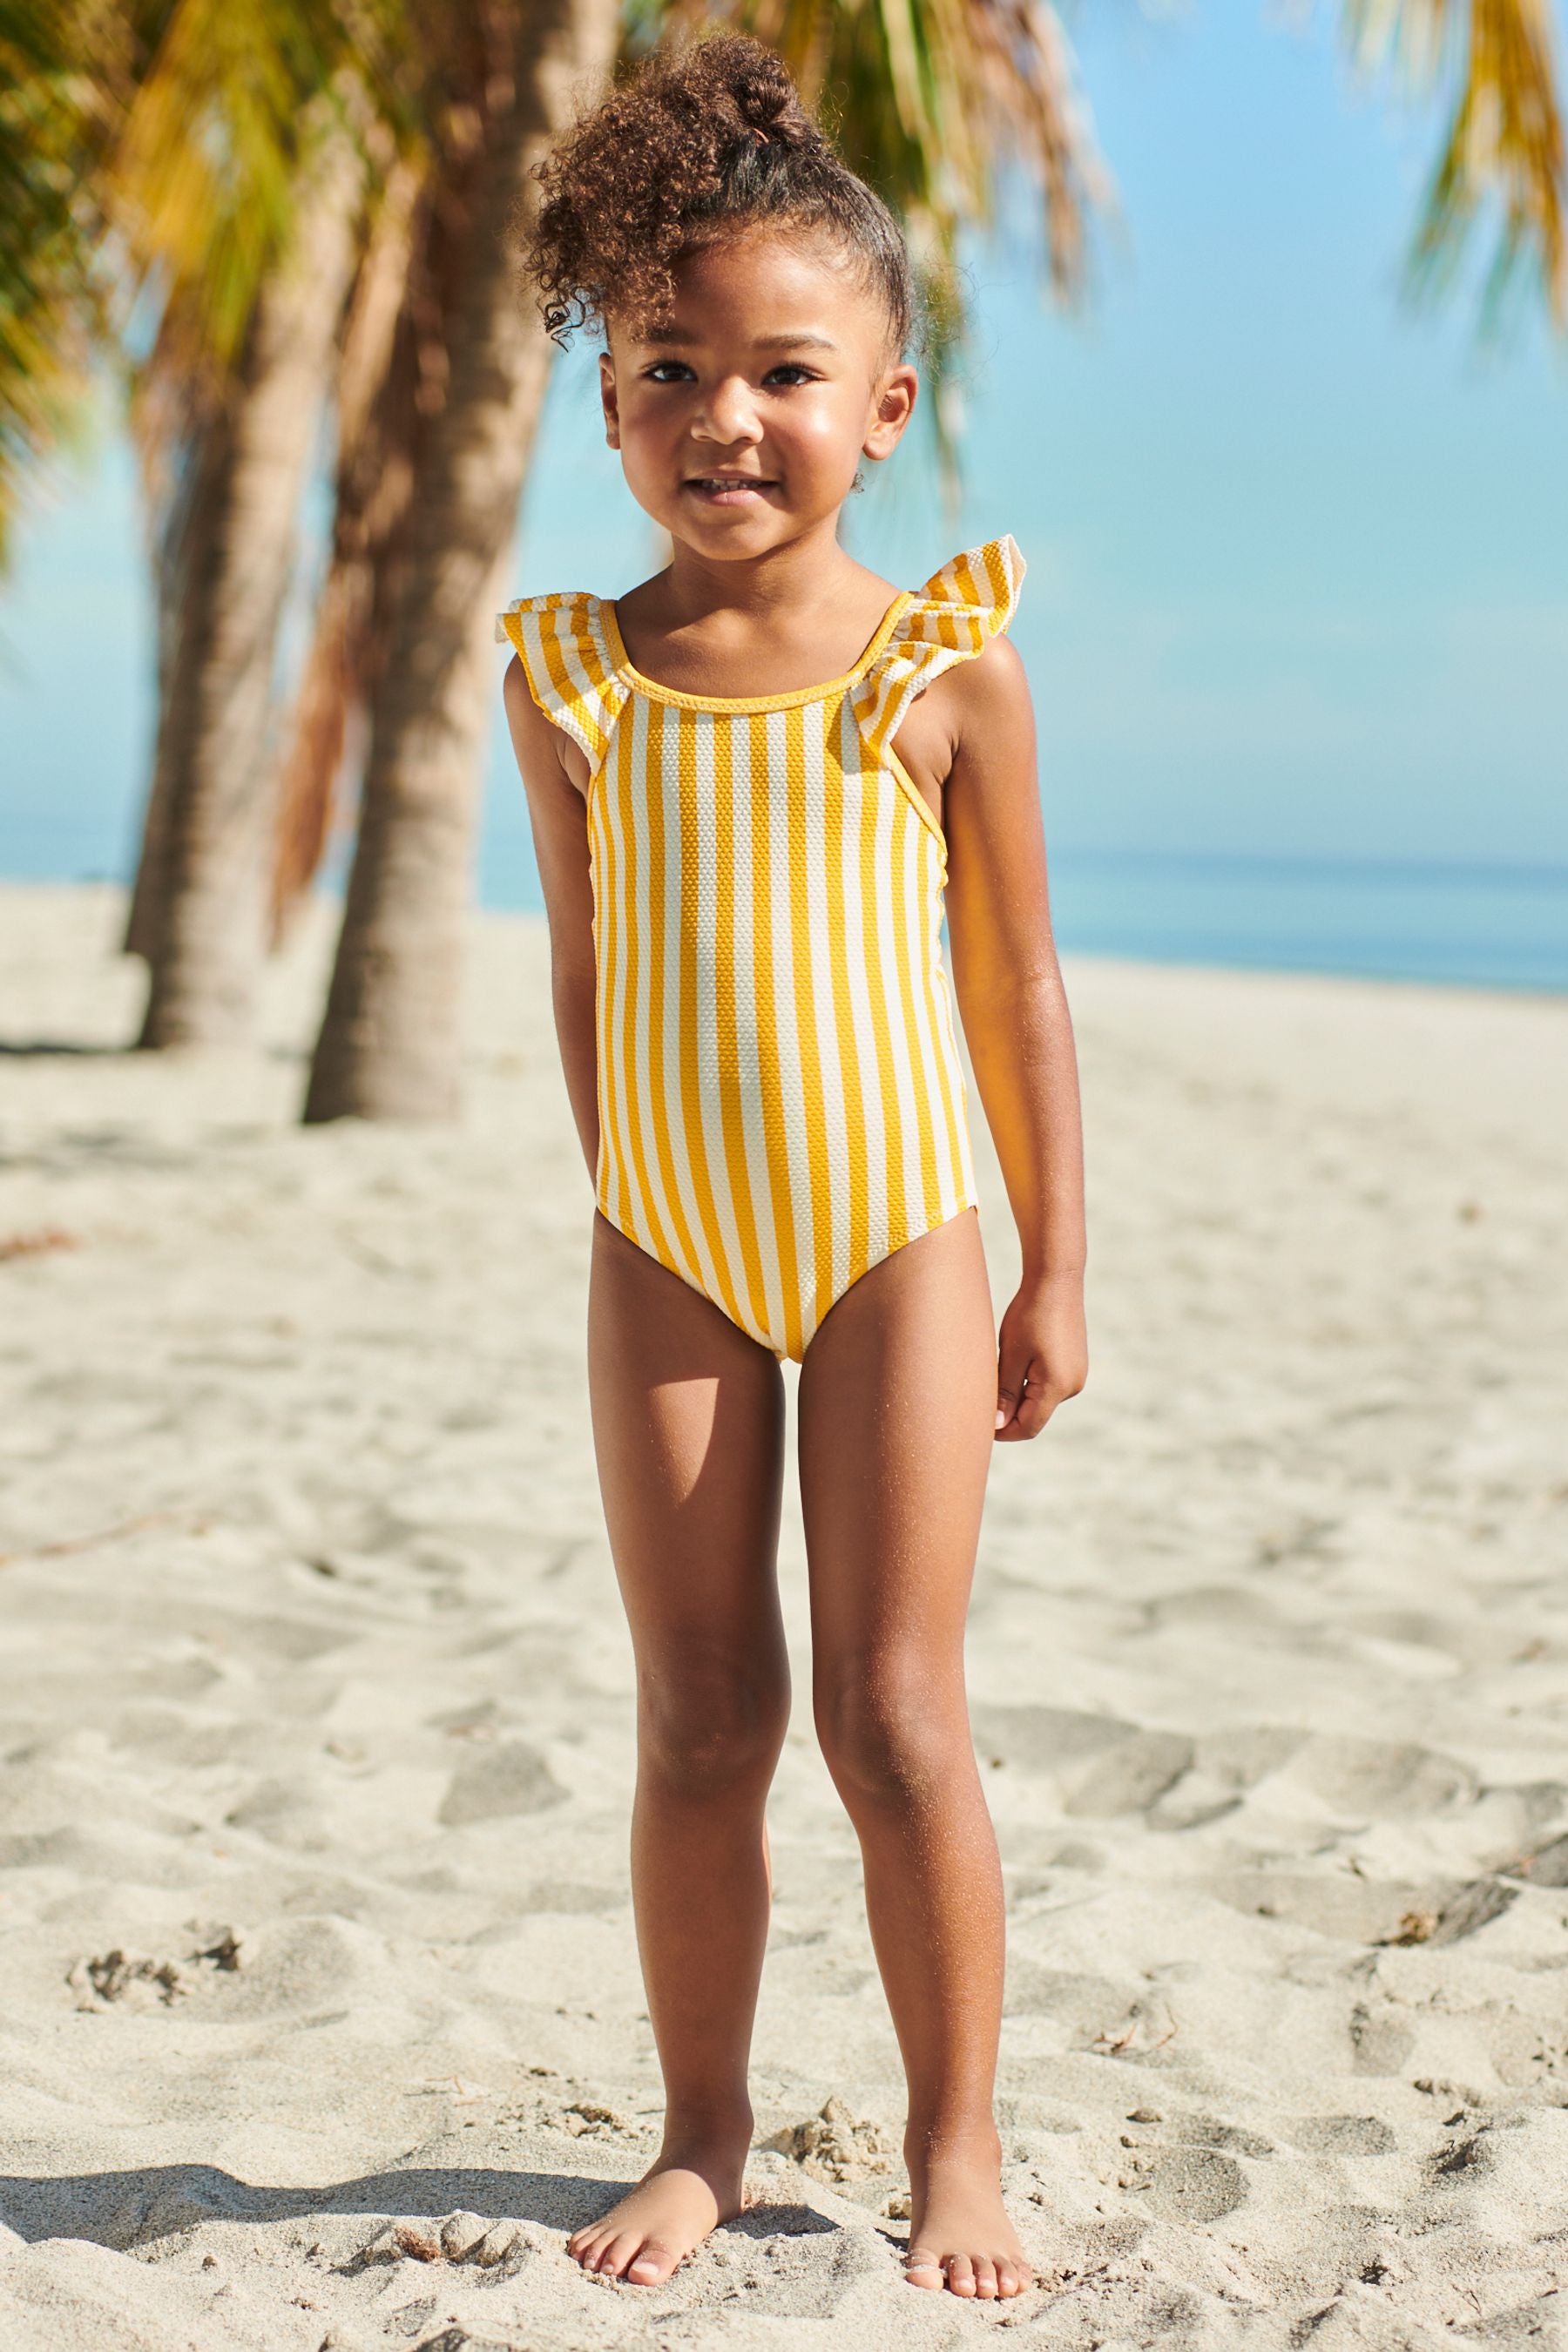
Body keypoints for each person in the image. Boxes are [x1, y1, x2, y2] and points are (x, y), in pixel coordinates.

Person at [499, 31, 1088, 2304]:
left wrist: (1051, 1271)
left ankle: (958, 2141)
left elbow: (1021, 996)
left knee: (890, 1710)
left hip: (895, 1242)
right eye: (667, 365)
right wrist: (625, 1196)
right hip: (660, 1240)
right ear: (614, 397)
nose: (722, 415)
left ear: (887, 406)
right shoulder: (576, 680)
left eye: (781, 369)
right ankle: (705, 2129)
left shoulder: (940, 675)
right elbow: (582, 979)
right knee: (697, 1712)